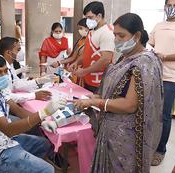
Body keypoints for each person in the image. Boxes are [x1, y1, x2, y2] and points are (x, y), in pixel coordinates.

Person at [73, 13, 163, 173]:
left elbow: (129, 105)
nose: (116, 40)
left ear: (137, 36)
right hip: (112, 131)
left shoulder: (143, 62)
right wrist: (96, 97)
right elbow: (116, 90)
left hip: (126, 137)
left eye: (121, 36)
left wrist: (96, 102)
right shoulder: (125, 57)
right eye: (115, 35)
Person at [0, 54, 67, 173]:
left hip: (2, 140)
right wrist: (43, 113)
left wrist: (42, 120)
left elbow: (18, 110)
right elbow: (9, 130)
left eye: (5, 71)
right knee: (48, 170)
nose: (4, 76)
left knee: (44, 144)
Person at [149, 0, 175, 165]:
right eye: (168, 5)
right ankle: (151, 144)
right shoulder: (158, 25)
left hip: (171, 77)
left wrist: (165, 57)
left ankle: (160, 150)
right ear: (164, 6)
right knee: (151, 112)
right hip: (154, 74)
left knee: (164, 115)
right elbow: (152, 46)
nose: (171, 8)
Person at [69, 1, 114, 93]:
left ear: (99, 16)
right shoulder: (91, 31)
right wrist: (77, 62)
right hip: (88, 80)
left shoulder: (107, 32)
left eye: (90, 17)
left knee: (95, 106)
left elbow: (106, 59)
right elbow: (87, 53)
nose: (87, 21)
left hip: (99, 82)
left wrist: (85, 71)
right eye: (86, 18)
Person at [0, 37, 54, 103]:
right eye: (18, 49)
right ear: (8, 52)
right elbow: (7, 97)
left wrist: (38, 81)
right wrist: (33, 95)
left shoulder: (9, 65)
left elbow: (16, 83)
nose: (21, 52)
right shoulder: (0, 68)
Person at [51, 18, 89, 86]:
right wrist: (59, 62)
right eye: (79, 29)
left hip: (84, 71)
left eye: (81, 28)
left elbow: (77, 57)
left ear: (88, 28)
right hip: (74, 69)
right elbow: (73, 57)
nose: (79, 30)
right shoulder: (80, 40)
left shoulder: (90, 41)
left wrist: (60, 62)